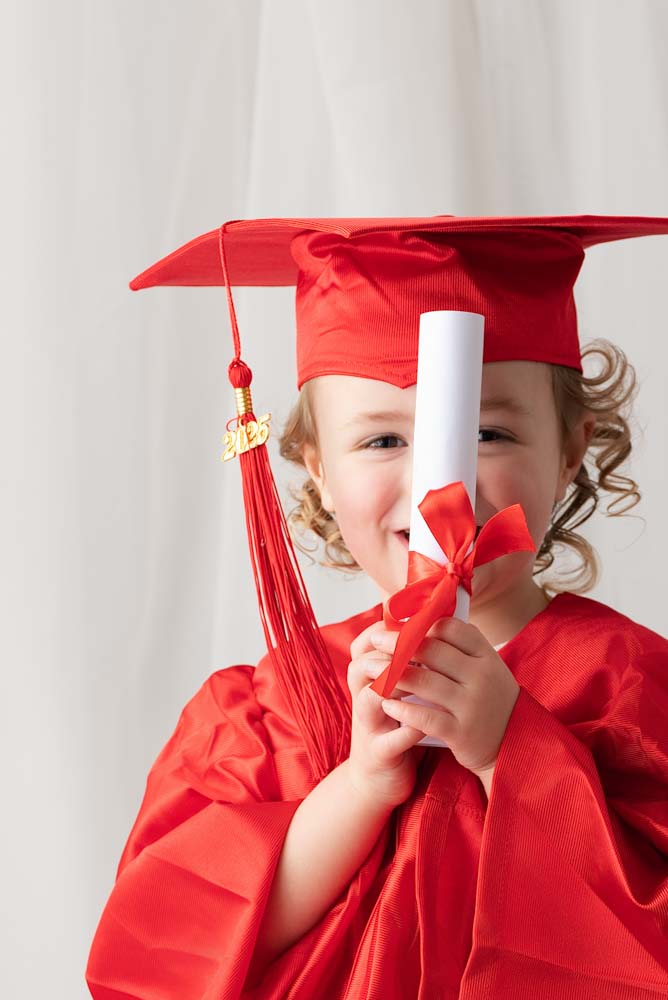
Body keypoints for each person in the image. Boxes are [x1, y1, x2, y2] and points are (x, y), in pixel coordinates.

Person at [86, 217, 668, 999]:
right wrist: (360, 786)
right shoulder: (272, 711)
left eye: (487, 431)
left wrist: (513, 754)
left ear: (570, 448)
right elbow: (180, 943)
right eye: (383, 442)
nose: (439, 483)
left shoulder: (631, 689)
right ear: (318, 470)